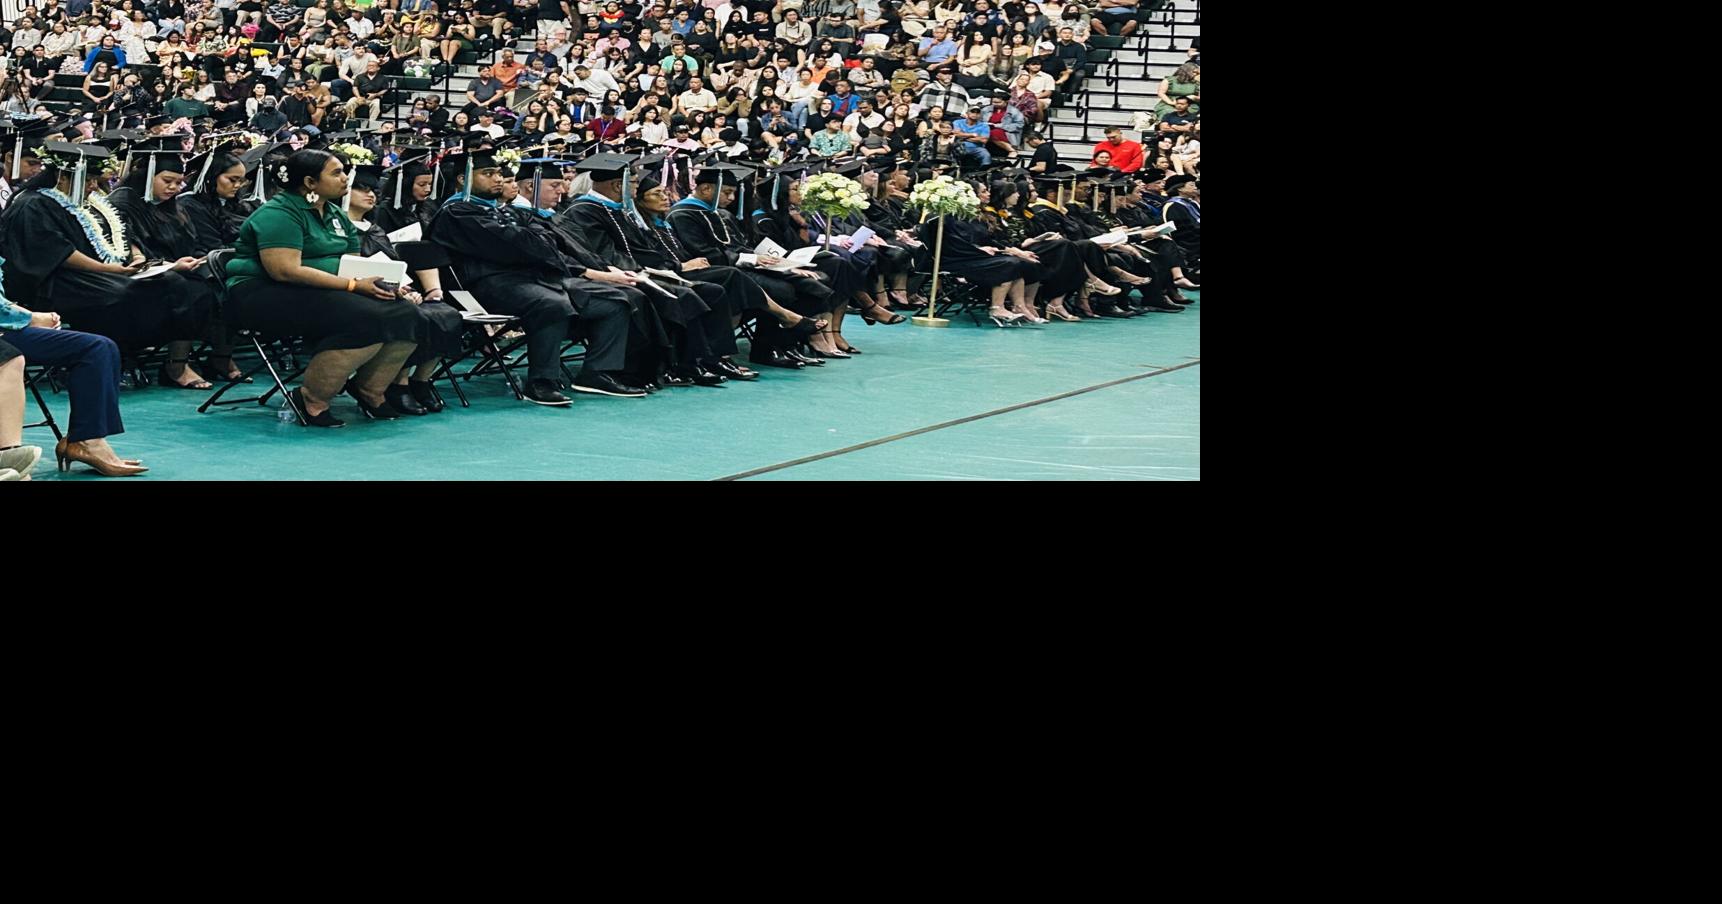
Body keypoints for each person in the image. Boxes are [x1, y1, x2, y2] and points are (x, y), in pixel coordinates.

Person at [221, 149, 422, 426]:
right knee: (364, 316)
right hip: (261, 293)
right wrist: (352, 285)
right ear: (310, 182)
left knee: (405, 312)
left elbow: (353, 262)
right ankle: (312, 398)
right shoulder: (279, 213)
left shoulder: (336, 214)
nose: (345, 178)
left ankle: (370, 390)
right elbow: (285, 270)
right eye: (336, 173)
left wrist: (383, 285)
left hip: (320, 290)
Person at [429, 149, 644, 402]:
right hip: (487, 286)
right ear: (463, 179)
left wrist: (530, 240)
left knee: (615, 301)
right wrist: (530, 240)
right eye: (488, 173)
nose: (498, 178)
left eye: (498, 173)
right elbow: (511, 244)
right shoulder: (456, 212)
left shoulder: (505, 211)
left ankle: (596, 373)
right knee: (551, 303)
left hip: (533, 280)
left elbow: (544, 242)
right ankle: (541, 382)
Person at [0, 142, 216, 386]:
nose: (94, 186)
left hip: (98, 272)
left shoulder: (90, 201)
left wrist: (137, 257)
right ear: (63, 177)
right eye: (89, 180)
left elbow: (121, 232)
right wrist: (109, 270)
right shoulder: (32, 203)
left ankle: (156, 362)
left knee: (173, 283)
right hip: (54, 278)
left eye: (95, 180)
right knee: (122, 294)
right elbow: (55, 251)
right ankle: (96, 362)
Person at [555, 156, 737, 388]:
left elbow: (642, 247)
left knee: (711, 291)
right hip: (619, 275)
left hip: (642, 271)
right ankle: (676, 365)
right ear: (617, 185)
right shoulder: (583, 211)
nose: (635, 189)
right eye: (633, 183)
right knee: (681, 296)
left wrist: (664, 268)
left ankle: (707, 359)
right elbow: (605, 253)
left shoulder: (617, 210)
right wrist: (647, 270)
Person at [342, 162, 464, 415]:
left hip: (393, 290)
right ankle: (398, 383)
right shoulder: (338, 228)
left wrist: (408, 288)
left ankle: (421, 380)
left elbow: (392, 263)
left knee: (446, 314)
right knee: (412, 316)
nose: (371, 195)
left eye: (373, 190)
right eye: (362, 189)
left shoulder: (374, 229)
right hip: (360, 292)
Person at [1, 281, 145, 476]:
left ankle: (87, 439)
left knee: (99, 348)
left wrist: (27, 316)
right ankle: (8, 456)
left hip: (7, 326)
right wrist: (31, 318)